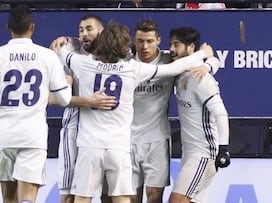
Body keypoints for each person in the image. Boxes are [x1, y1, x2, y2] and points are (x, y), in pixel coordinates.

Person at [56, 22, 214, 203]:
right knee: (124, 198)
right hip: (121, 146)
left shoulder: (83, 64)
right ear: (128, 44)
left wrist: (68, 41)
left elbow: (61, 53)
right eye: (137, 41)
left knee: (83, 198)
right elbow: (172, 69)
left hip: (93, 145)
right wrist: (203, 54)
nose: (143, 46)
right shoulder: (132, 68)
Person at [0, 5, 72, 203]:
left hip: (3, 134)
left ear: (8, 27)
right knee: (27, 198)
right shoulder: (48, 57)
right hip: (32, 135)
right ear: (33, 28)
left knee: (8, 198)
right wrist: (68, 81)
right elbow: (63, 99)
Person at [130, 20, 220, 203]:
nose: (144, 46)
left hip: (157, 140)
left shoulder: (168, 59)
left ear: (157, 40)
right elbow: (97, 48)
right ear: (134, 40)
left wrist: (208, 64)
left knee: (155, 197)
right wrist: (68, 39)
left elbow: (212, 57)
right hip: (128, 140)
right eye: (140, 41)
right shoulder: (128, 62)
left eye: (149, 41)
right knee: (131, 198)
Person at [50, 14, 115, 203]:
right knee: (70, 196)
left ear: (101, 32)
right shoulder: (71, 54)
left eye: (89, 29)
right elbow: (55, 99)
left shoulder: (115, 55)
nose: (84, 34)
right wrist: (88, 101)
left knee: (109, 195)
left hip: (105, 132)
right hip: (75, 132)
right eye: (81, 30)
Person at [168, 27, 230, 203]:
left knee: (177, 200)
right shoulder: (179, 71)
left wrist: (224, 149)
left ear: (191, 47)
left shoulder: (202, 78)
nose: (172, 49)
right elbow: (214, 60)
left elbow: (221, 114)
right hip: (189, 152)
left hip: (204, 153)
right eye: (170, 44)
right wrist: (209, 63)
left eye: (176, 44)